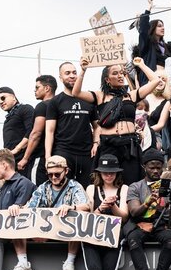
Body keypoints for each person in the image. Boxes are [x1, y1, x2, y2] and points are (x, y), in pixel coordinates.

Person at [70, 56, 163, 185]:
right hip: (109, 145)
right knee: (107, 182)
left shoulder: (132, 95)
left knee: (131, 181)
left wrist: (141, 65)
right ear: (107, 80)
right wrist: (83, 70)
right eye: (115, 73)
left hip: (128, 144)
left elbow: (155, 81)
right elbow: (76, 92)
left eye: (121, 73)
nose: (120, 76)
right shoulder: (100, 96)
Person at [4, 156, 90, 270]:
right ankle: (23, 263)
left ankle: (69, 262)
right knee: (19, 218)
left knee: (77, 217)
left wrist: (72, 207)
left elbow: (86, 206)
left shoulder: (74, 186)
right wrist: (17, 207)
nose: (54, 178)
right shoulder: (43, 188)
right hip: (44, 230)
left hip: (66, 231)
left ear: (66, 171)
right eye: (50, 175)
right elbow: (30, 206)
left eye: (57, 174)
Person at [125, 148, 171, 270]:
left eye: (159, 167)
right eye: (152, 167)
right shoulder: (135, 187)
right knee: (133, 239)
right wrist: (148, 202)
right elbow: (134, 212)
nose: (156, 171)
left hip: (162, 224)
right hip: (141, 224)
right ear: (144, 167)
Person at [83, 154, 130, 270]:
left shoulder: (123, 189)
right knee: (86, 236)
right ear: (99, 173)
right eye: (105, 172)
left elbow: (124, 218)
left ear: (117, 173)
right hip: (96, 230)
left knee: (118, 234)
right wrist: (101, 207)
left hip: (115, 231)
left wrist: (113, 206)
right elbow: (89, 217)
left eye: (112, 172)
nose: (109, 175)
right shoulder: (91, 188)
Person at [45, 62, 96, 188]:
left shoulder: (88, 99)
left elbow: (97, 126)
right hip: (63, 151)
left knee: (87, 188)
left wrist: (96, 143)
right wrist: (48, 156)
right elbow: (49, 131)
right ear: (61, 77)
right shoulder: (55, 102)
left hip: (86, 153)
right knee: (62, 187)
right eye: (67, 73)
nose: (72, 75)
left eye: (74, 72)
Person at [18, 75, 57, 185]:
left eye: (37, 87)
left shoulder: (42, 106)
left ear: (47, 88)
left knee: (37, 192)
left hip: (41, 157)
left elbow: (36, 133)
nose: (35, 91)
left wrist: (25, 158)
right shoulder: (61, 104)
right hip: (59, 156)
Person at [0, 87, 35, 179]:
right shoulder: (8, 120)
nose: (1, 102)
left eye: (3, 98)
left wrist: (17, 149)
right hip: (12, 164)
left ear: (13, 97)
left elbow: (32, 131)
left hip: (25, 162)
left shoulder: (25, 109)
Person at [137, 0, 169, 87]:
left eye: (163, 26)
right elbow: (143, 29)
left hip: (164, 83)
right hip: (149, 82)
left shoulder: (165, 46)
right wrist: (149, 8)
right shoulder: (147, 44)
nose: (163, 28)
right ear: (152, 28)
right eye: (159, 26)